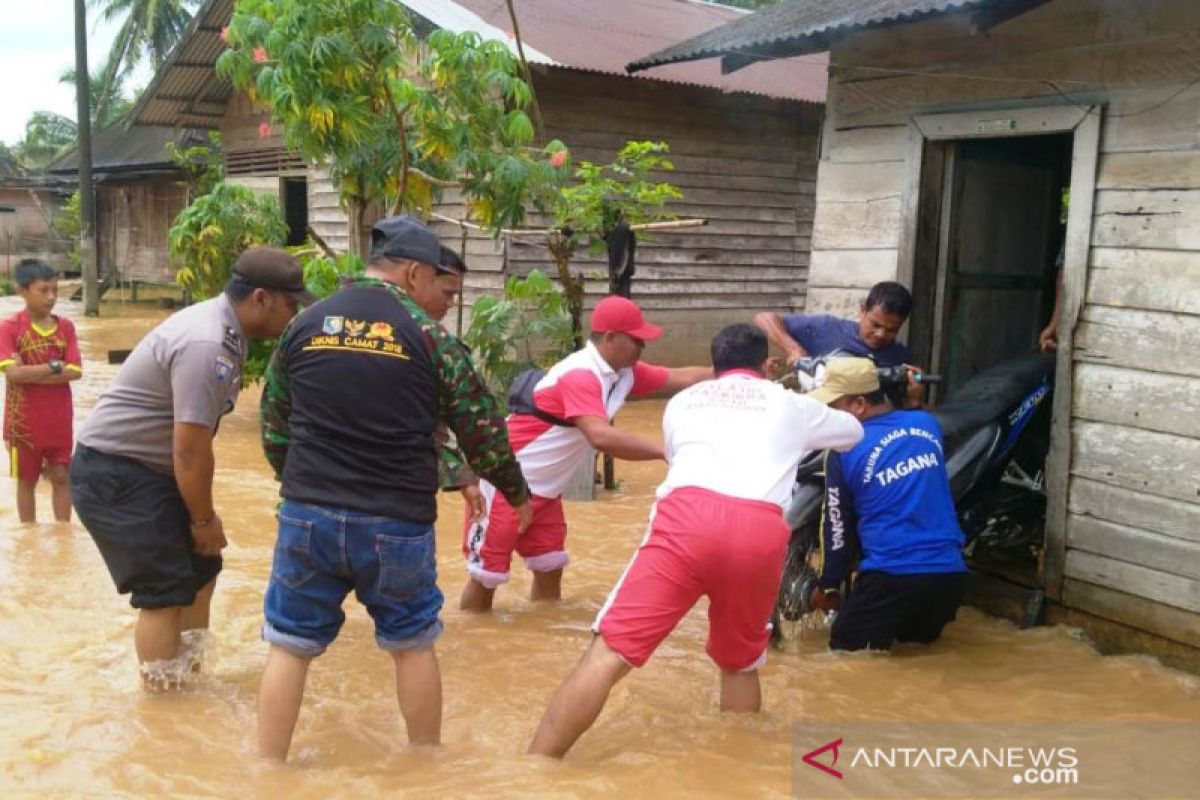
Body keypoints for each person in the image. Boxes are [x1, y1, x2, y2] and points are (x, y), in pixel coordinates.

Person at [256, 215, 533, 763]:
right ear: (412, 274)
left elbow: (274, 423)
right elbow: (483, 432)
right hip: (395, 523)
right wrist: (517, 495)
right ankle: (425, 770)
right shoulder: (430, 339)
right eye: (441, 288)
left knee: (288, 646)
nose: (445, 303)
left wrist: (302, 485)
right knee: (412, 647)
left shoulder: (304, 324)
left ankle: (266, 771)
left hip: (306, 514)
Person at [528, 324, 864, 758]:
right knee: (740, 662)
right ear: (766, 365)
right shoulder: (792, 404)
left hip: (685, 521)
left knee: (608, 655)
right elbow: (852, 432)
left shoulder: (681, 403)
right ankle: (735, 768)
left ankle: (537, 767)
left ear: (716, 364)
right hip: (759, 530)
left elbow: (682, 454)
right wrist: (818, 396)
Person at [70, 247, 309, 687]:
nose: (293, 315)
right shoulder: (208, 343)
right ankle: (165, 704)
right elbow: (191, 450)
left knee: (204, 568)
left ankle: (190, 679)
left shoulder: (225, 331)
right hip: (117, 473)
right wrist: (202, 518)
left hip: (149, 470)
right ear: (260, 298)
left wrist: (205, 525)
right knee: (163, 591)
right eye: (290, 304)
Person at [459, 294, 712, 612]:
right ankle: (477, 642)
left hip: (545, 492)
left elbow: (681, 378)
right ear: (610, 338)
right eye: (636, 340)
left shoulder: (623, 373)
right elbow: (600, 435)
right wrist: (665, 450)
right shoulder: (580, 374)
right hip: (502, 484)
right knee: (486, 577)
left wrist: (737, 373)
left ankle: (538, 637)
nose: (642, 347)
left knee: (550, 569)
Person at [806, 358, 968, 651]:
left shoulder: (843, 448)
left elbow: (837, 529)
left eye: (833, 407)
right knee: (917, 657)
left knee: (843, 655)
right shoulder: (926, 424)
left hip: (893, 576)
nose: (828, 414)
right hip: (950, 576)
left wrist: (828, 586)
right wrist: (914, 399)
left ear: (858, 405)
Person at [1, 259, 82, 523]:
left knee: (61, 476)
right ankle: (28, 536)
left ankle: (63, 537)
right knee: (27, 481)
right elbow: (12, 373)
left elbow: (75, 371)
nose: (51, 297)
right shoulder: (9, 328)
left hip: (58, 419)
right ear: (22, 291)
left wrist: (32, 372)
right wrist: (55, 367)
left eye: (55, 290)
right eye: (43, 290)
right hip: (23, 422)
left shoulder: (65, 327)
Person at [754, 281, 914, 369]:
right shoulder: (826, 328)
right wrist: (793, 349)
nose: (881, 334)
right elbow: (764, 318)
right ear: (863, 310)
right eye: (875, 325)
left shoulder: (900, 357)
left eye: (891, 330)